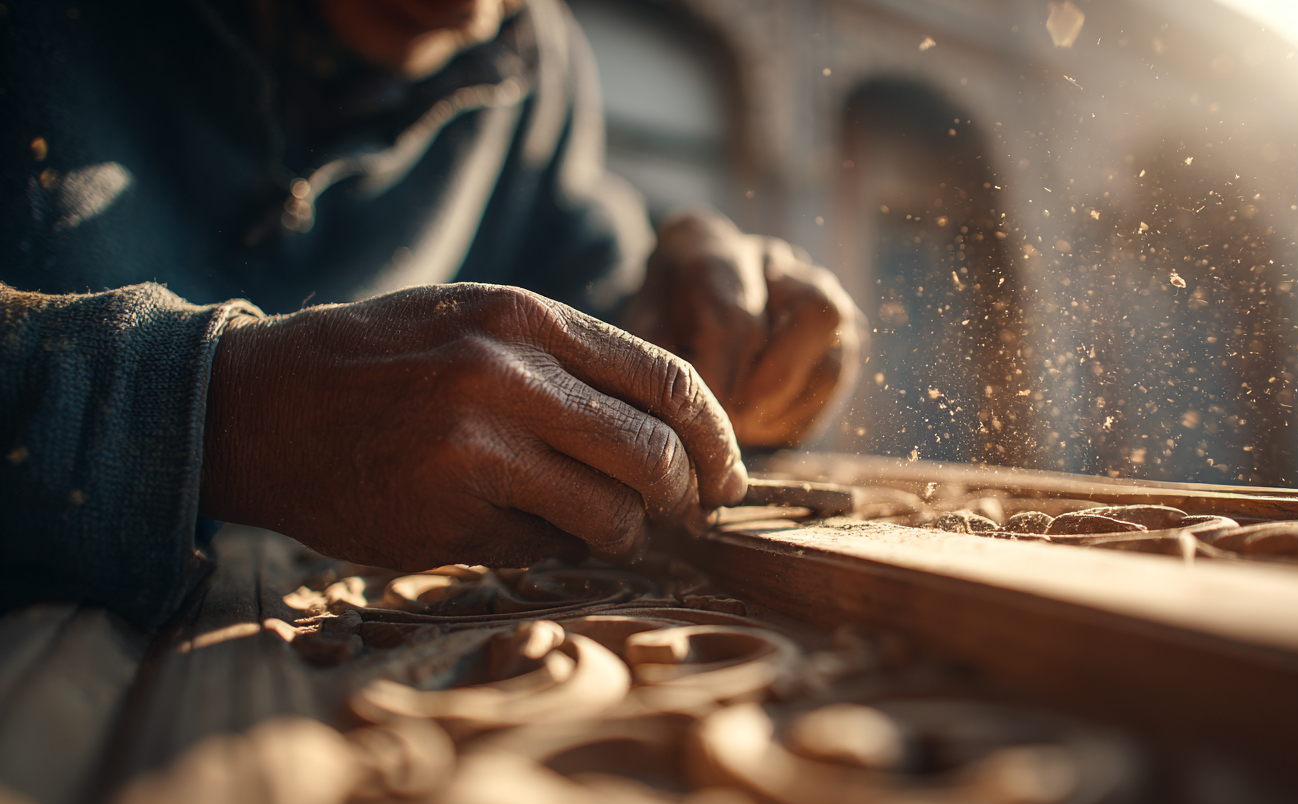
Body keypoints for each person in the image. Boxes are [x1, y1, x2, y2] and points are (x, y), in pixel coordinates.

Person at [0, 0, 863, 628]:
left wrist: (708, 342)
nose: (468, 9)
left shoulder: (530, 56)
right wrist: (223, 415)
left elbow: (598, 300)